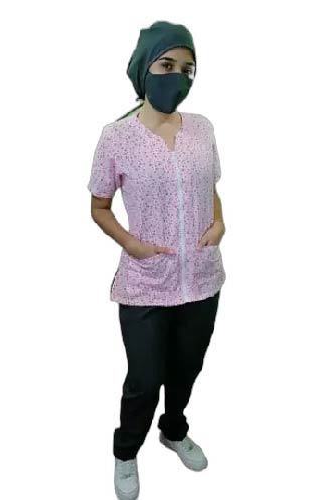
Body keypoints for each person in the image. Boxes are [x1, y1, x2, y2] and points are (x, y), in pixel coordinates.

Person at [87, 20, 226, 500]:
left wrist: (219, 223)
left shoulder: (202, 129)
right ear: (144, 69)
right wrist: (132, 245)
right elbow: (99, 207)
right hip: (146, 283)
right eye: (167, 65)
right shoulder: (116, 137)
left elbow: (210, 187)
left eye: (188, 69)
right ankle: (126, 452)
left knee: (186, 369)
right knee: (145, 380)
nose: (178, 77)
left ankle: (173, 431)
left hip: (202, 280)